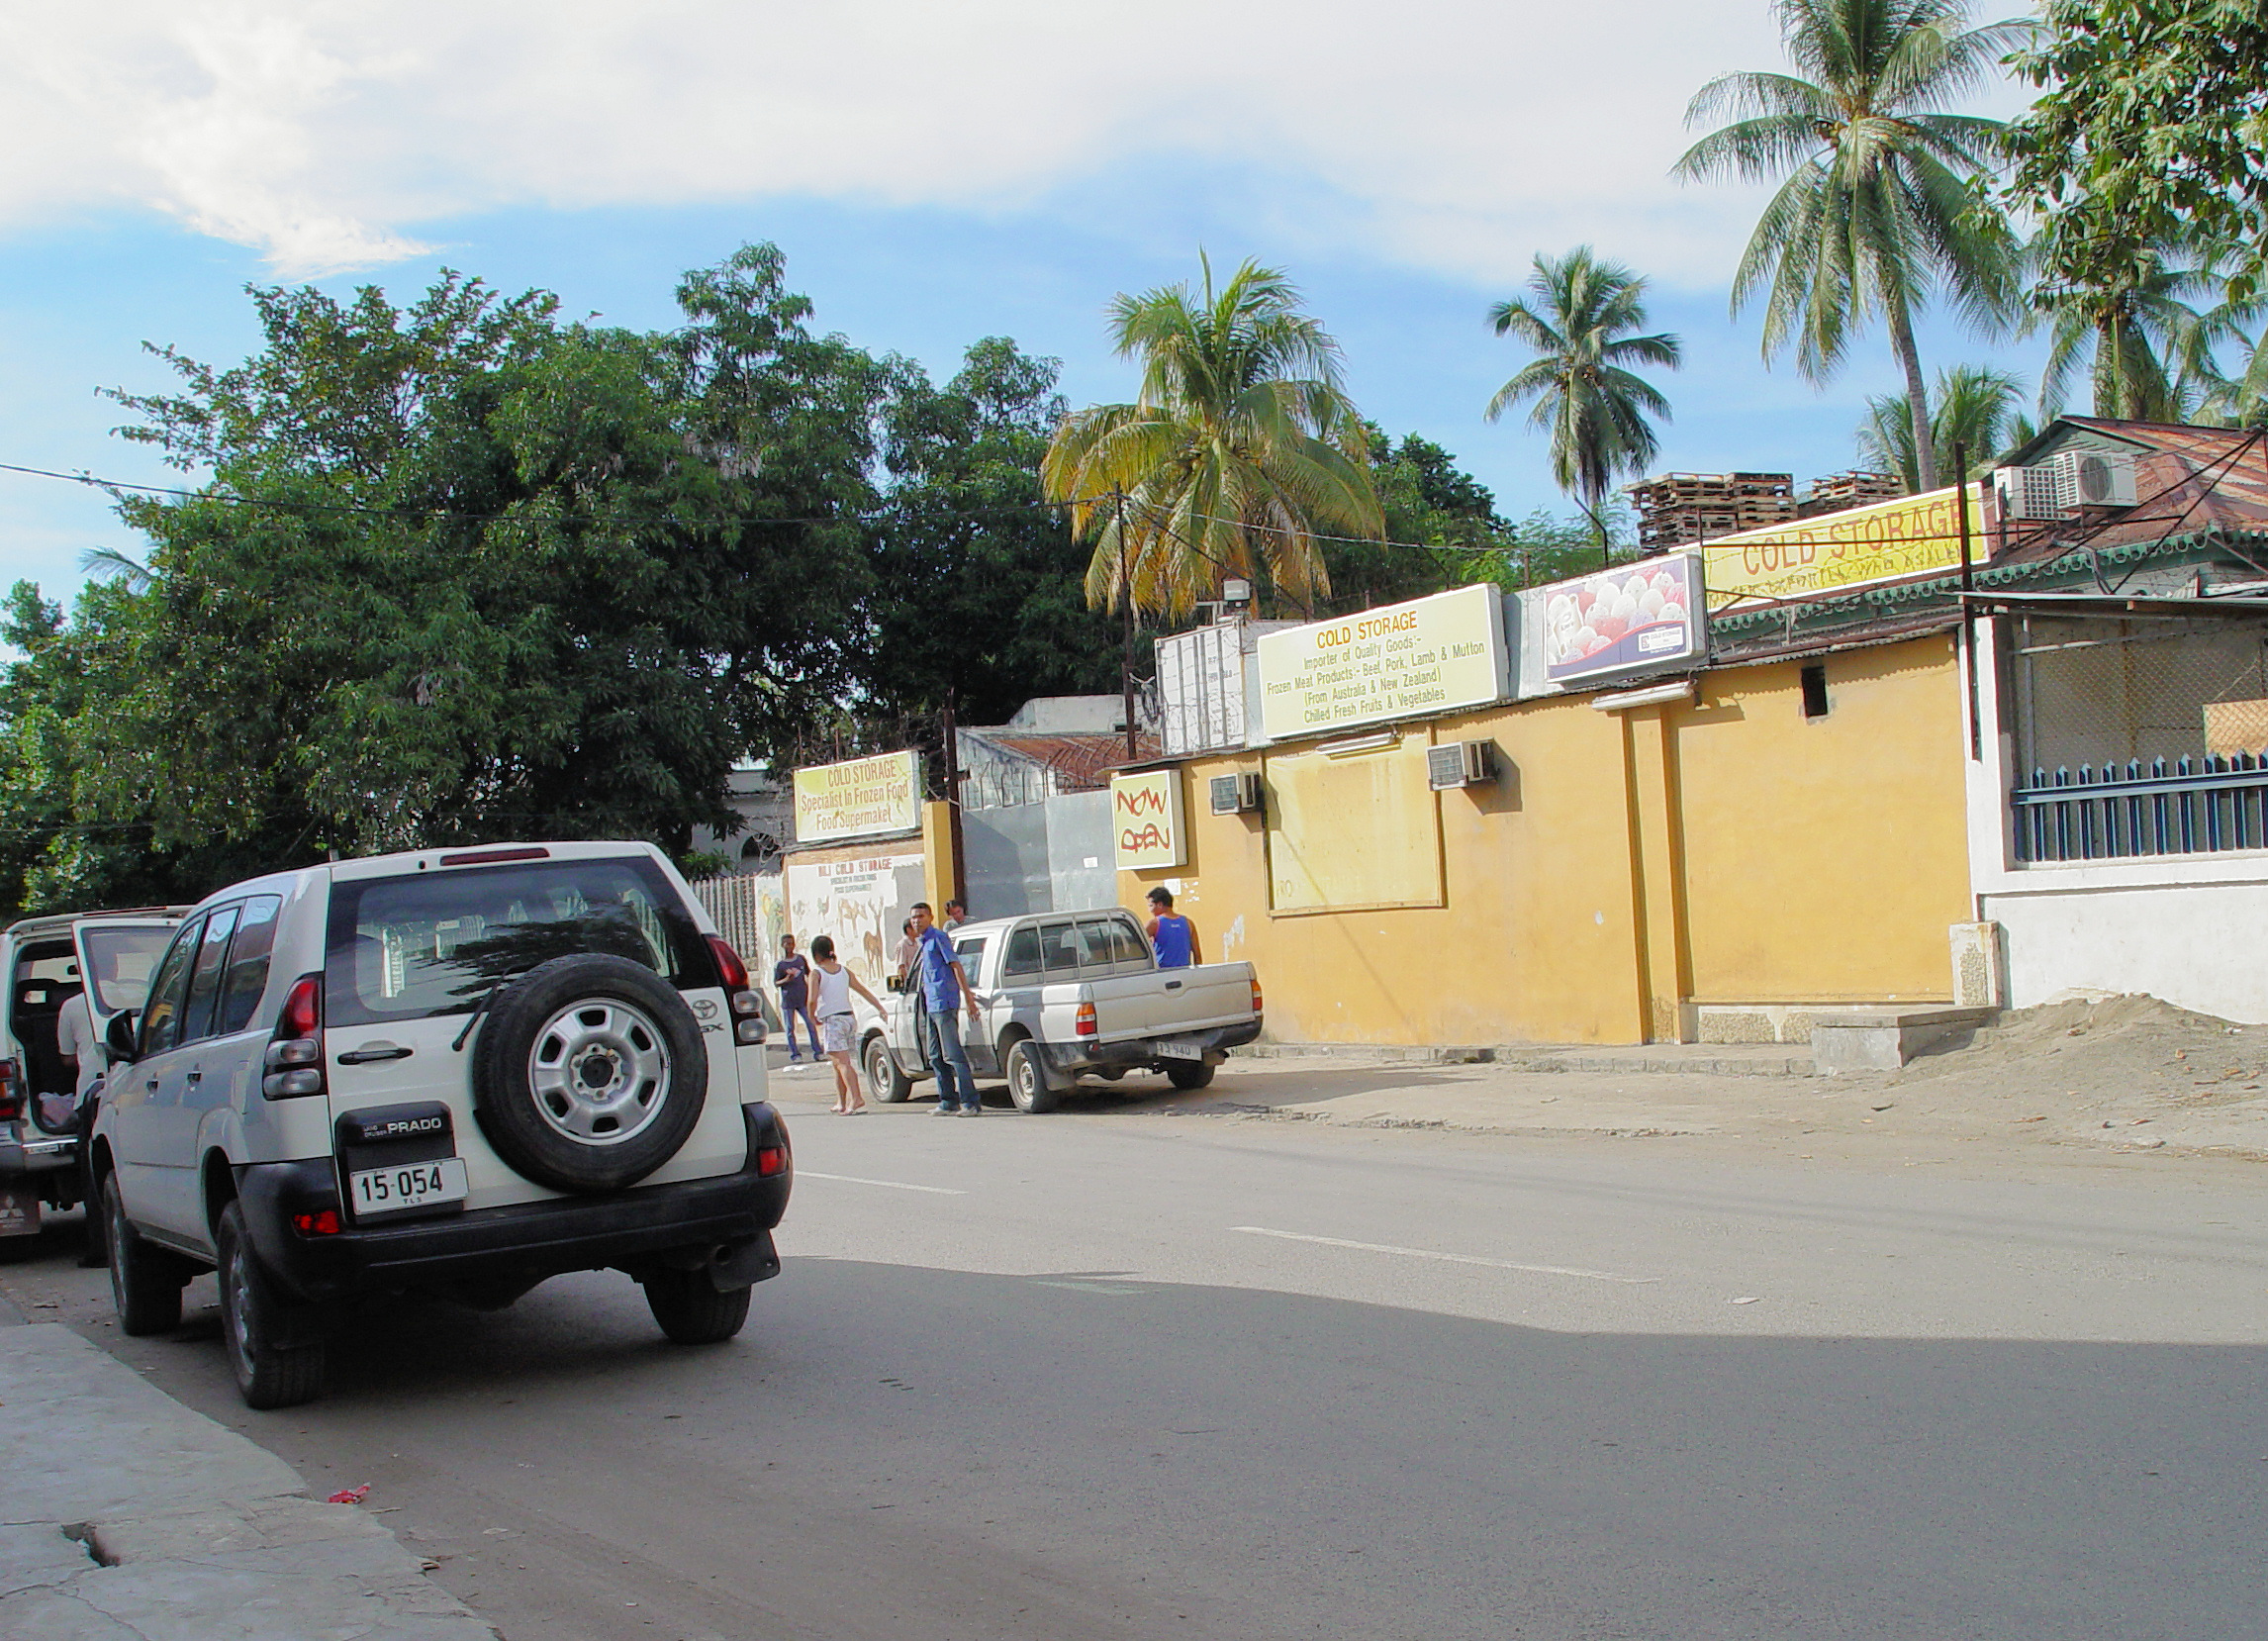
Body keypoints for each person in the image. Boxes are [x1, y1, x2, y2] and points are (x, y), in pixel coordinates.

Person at [909, 901, 983, 1115]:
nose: (917, 920)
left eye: (921, 916)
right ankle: (948, 1101)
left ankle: (970, 1102)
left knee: (953, 1055)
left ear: (930, 918)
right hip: (930, 1004)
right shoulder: (922, 943)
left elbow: (956, 965)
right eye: (914, 917)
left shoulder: (938, 938)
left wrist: (968, 998)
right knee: (935, 1056)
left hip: (944, 1003)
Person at [807, 934, 885, 1113]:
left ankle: (856, 1098)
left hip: (832, 1020)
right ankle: (841, 1101)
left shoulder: (816, 973)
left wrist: (812, 1017)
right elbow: (862, 990)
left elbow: (811, 999)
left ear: (816, 954)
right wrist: (879, 1006)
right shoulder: (843, 970)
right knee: (838, 1063)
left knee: (842, 1063)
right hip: (849, 1018)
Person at [773, 935, 818, 1064]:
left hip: (802, 999)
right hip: (788, 1001)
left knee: (811, 1025)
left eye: (791, 943)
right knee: (790, 1029)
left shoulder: (800, 960)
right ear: (782, 945)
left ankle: (818, 1051)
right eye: (786, 944)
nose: (789, 946)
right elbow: (776, 983)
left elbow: (809, 975)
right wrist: (786, 980)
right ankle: (795, 1054)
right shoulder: (780, 965)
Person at [1145, 887, 1201, 968]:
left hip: (1162, 974)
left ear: (1159, 904)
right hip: (1184, 973)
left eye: (1150, 905)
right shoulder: (1188, 923)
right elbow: (1197, 955)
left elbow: (1136, 947)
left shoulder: (1154, 924)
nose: (1149, 910)